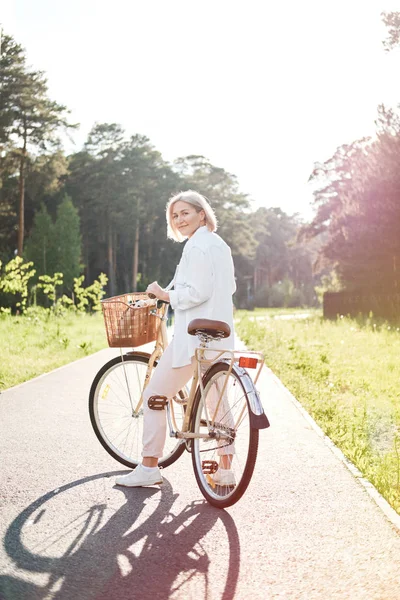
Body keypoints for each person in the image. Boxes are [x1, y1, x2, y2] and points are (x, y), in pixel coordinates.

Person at [116, 190, 236, 488]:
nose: (179, 219)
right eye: (174, 215)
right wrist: (167, 291)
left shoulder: (196, 247)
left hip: (194, 338)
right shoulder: (218, 244)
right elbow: (227, 286)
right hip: (220, 334)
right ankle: (225, 469)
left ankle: (148, 467)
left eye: (185, 213)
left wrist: (163, 295)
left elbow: (197, 292)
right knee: (217, 400)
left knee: (154, 395)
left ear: (202, 214)